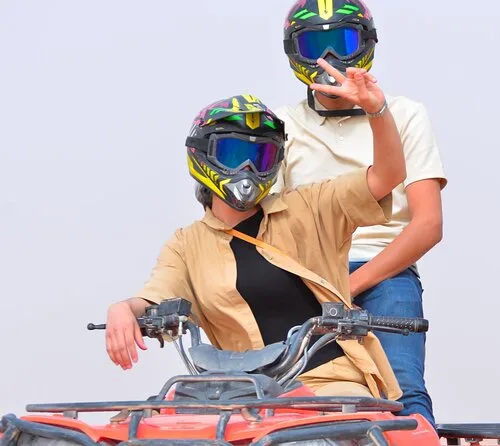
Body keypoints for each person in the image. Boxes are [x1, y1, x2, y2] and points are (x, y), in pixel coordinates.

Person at [104, 61, 409, 400]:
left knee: (326, 423)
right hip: (242, 392)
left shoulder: (309, 207)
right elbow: (154, 296)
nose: (247, 168)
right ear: (202, 155)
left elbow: (387, 176)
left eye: (260, 156)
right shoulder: (186, 245)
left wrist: (376, 110)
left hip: (328, 382)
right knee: (158, 419)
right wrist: (123, 309)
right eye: (233, 153)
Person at [273, 0, 447, 428]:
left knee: (402, 392)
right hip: (307, 278)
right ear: (295, 52)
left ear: (366, 44)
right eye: (315, 46)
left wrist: (350, 286)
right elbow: (268, 226)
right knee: (289, 399)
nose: (330, 58)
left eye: (343, 42)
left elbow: (428, 224)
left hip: (386, 271)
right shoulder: (280, 125)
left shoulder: (404, 114)